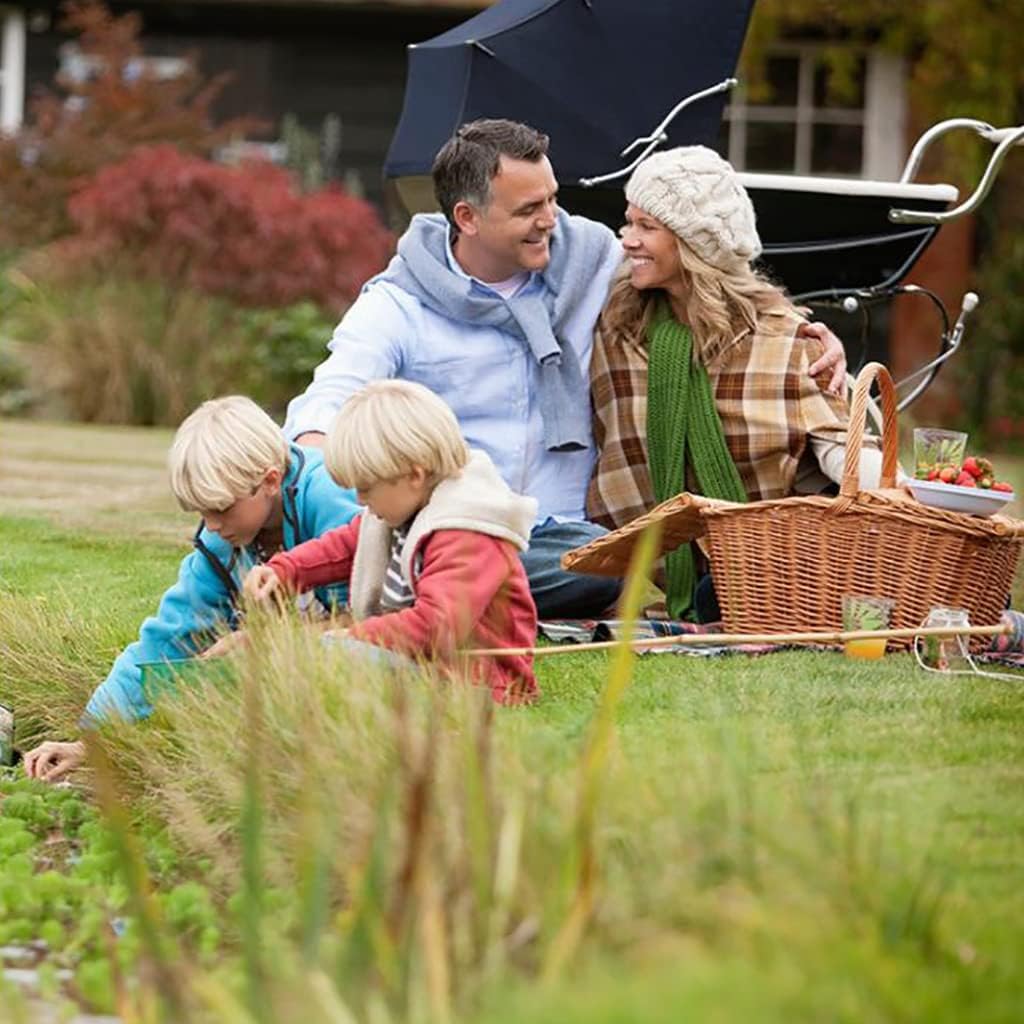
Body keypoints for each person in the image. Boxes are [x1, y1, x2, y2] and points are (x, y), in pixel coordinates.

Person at [282, 119, 848, 619]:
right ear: (467, 217)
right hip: (463, 524)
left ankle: (428, 593)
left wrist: (802, 334)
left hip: (572, 533)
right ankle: (426, 581)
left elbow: (703, 280)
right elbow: (333, 395)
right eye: (528, 210)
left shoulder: (596, 261)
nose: (550, 220)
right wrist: (317, 468)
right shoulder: (400, 304)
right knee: (497, 560)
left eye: (552, 200)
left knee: (613, 563)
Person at [588, 145, 882, 622]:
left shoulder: (782, 337)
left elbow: (837, 451)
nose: (627, 240)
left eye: (647, 227)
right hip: (669, 570)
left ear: (694, 243)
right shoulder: (616, 329)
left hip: (784, 560)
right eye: (629, 222)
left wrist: (914, 493)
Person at [23, 396, 360, 782]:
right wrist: (90, 741)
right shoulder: (223, 543)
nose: (212, 525)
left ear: (269, 481)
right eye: (201, 512)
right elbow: (167, 639)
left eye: (220, 509)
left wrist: (267, 645)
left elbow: (377, 616)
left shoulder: (331, 500)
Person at [246, 380, 539, 705]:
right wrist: (284, 570)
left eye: (367, 488)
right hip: (432, 668)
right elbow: (345, 546)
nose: (359, 499)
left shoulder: (468, 532)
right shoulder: (406, 508)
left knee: (333, 658)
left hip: (482, 683)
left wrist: (358, 635)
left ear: (414, 475)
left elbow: (437, 625)